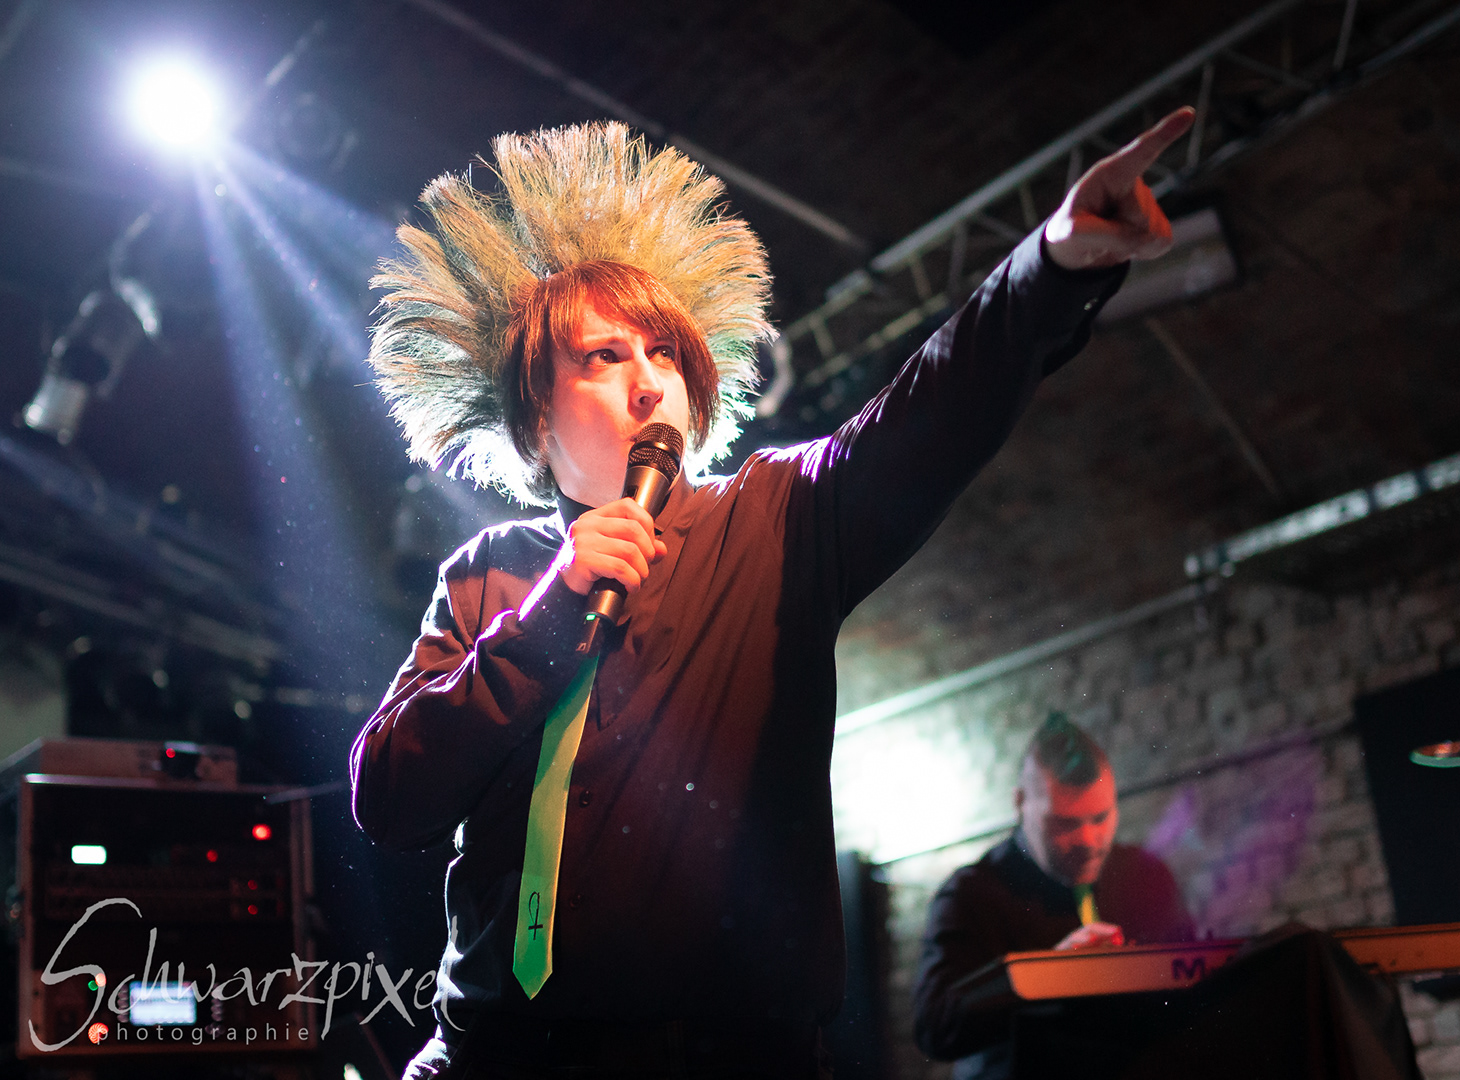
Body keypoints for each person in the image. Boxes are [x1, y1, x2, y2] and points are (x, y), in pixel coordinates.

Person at [349, 107, 1196, 1080]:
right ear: (537, 420)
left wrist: (1053, 264)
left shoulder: (776, 516)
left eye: (665, 353)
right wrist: (549, 614)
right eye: (604, 356)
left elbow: (932, 410)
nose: (648, 384)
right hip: (494, 1058)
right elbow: (390, 798)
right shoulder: (486, 574)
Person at [911, 714, 1194, 1080]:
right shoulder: (970, 894)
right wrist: (1049, 974)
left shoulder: (1146, 874)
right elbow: (934, 1027)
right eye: (1064, 823)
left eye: (1101, 817)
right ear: (1020, 803)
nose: (1088, 841)